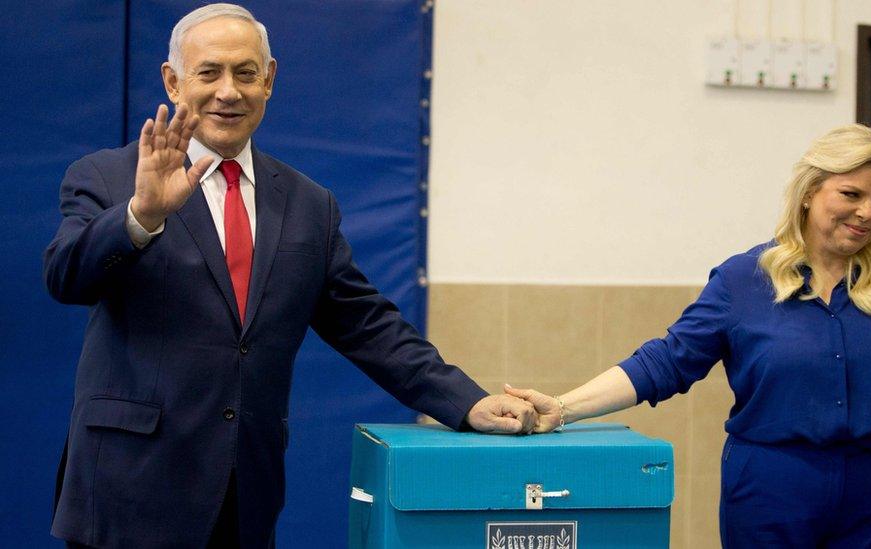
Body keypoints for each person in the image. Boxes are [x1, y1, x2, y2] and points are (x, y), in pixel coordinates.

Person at [43, 4, 536, 548]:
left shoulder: (308, 204)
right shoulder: (108, 178)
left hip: (245, 497)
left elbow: (368, 326)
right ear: (173, 81)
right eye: (209, 73)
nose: (228, 91)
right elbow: (67, 277)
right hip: (127, 495)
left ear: (270, 80)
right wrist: (142, 216)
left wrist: (465, 402)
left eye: (245, 73)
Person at [507, 124, 871, 548]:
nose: (868, 212)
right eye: (851, 194)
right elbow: (665, 362)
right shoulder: (744, 280)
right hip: (770, 497)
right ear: (810, 193)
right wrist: (562, 408)